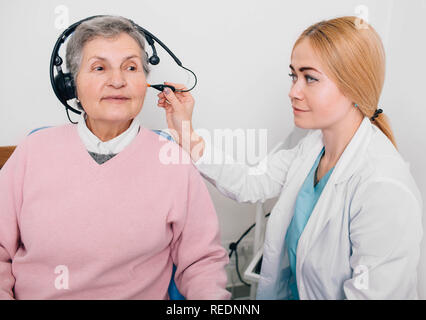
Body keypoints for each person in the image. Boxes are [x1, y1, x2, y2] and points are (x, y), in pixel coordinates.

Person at [157, 16, 423, 299]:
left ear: (354, 86)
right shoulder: (311, 145)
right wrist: (185, 131)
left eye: (310, 78)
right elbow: (251, 183)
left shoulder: (382, 188)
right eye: (293, 76)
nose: (293, 92)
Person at [0, 15, 230, 300]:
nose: (118, 81)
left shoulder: (174, 162)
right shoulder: (32, 152)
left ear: (145, 82)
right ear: (72, 85)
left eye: (131, 67)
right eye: (99, 68)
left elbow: (202, 264)